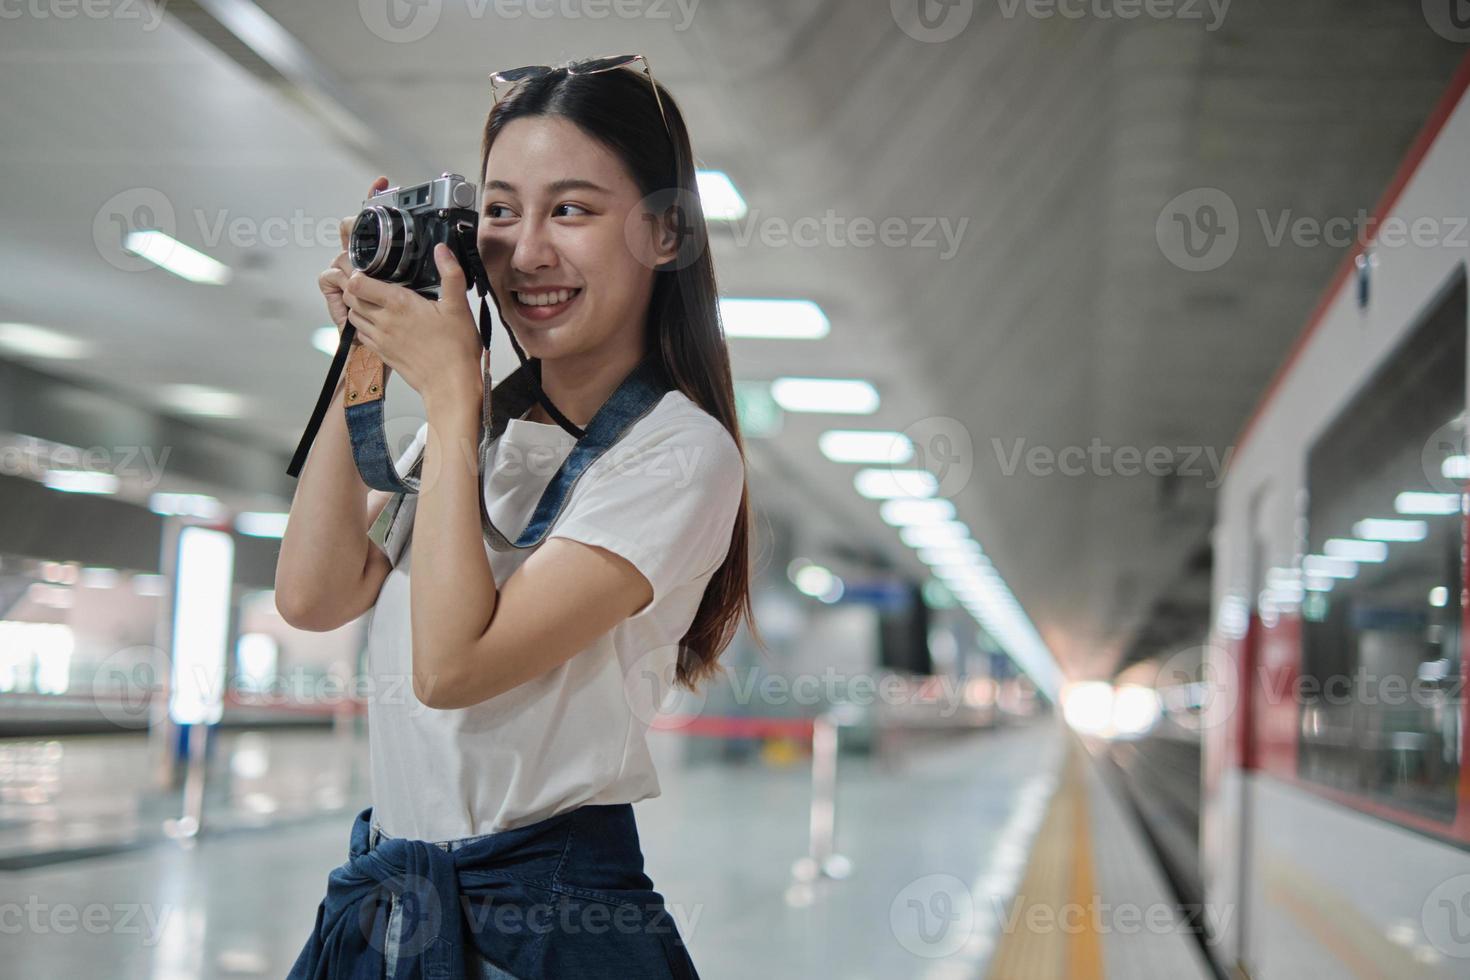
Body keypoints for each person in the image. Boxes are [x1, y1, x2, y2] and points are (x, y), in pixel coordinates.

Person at [277, 55, 761, 979]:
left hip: (550, 924)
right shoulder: (482, 434)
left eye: (571, 210)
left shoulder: (680, 453)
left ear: (664, 232)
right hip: (393, 901)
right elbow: (313, 594)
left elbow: (454, 668)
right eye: (500, 211)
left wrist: (455, 392)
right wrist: (364, 352)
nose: (527, 251)